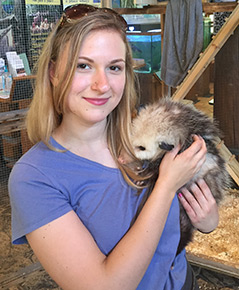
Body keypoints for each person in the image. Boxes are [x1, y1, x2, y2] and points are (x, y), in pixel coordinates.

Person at [8, 5, 219, 290]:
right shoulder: (34, 178)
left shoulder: (143, 136)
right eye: (83, 65)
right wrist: (166, 187)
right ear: (55, 73)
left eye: (114, 67)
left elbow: (199, 215)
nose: (102, 84)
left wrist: (207, 219)